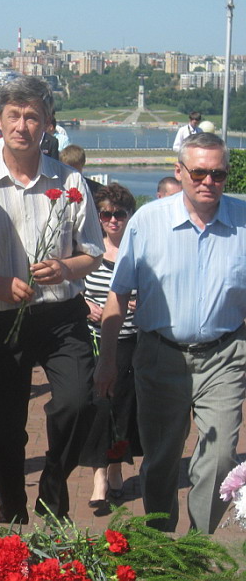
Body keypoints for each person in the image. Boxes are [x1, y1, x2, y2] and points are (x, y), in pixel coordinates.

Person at [0, 75, 104, 524]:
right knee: (1, 428)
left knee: (77, 402)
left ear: (47, 123)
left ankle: (53, 486)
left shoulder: (71, 182)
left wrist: (66, 267)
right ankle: (11, 508)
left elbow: (92, 249)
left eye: (32, 116)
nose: (22, 126)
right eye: (13, 115)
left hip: (60, 316)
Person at [95, 132, 246, 534]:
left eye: (218, 174)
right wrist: (107, 361)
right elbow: (118, 293)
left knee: (218, 460)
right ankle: (161, 544)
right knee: (161, 459)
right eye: (198, 171)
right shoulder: (148, 220)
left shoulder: (244, 220)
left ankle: (200, 546)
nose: (208, 181)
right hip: (160, 354)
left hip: (225, 355)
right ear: (179, 172)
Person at [79, 183, 141, 513]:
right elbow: (73, 287)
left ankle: (116, 466)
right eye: (106, 214)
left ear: (129, 216)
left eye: (119, 214)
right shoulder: (89, 250)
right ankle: (99, 477)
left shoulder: (139, 251)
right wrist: (86, 304)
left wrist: (140, 302)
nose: (113, 220)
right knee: (99, 408)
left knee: (123, 410)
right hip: (93, 341)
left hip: (130, 341)